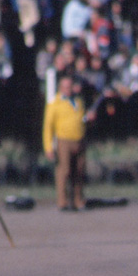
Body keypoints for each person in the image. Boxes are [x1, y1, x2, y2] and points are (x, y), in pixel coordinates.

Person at [43, 74, 93, 211]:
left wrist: (89, 119)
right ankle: (62, 201)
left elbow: (82, 120)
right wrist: (48, 147)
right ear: (60, 88)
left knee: (79, 170)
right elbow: (48, 127)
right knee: (63, 171)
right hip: (63, 140)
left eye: (70, 86)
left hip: (79, 139)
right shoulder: (54, 103)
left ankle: (78, 200)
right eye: (65, 87)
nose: (68, 89)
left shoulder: (78, 101)